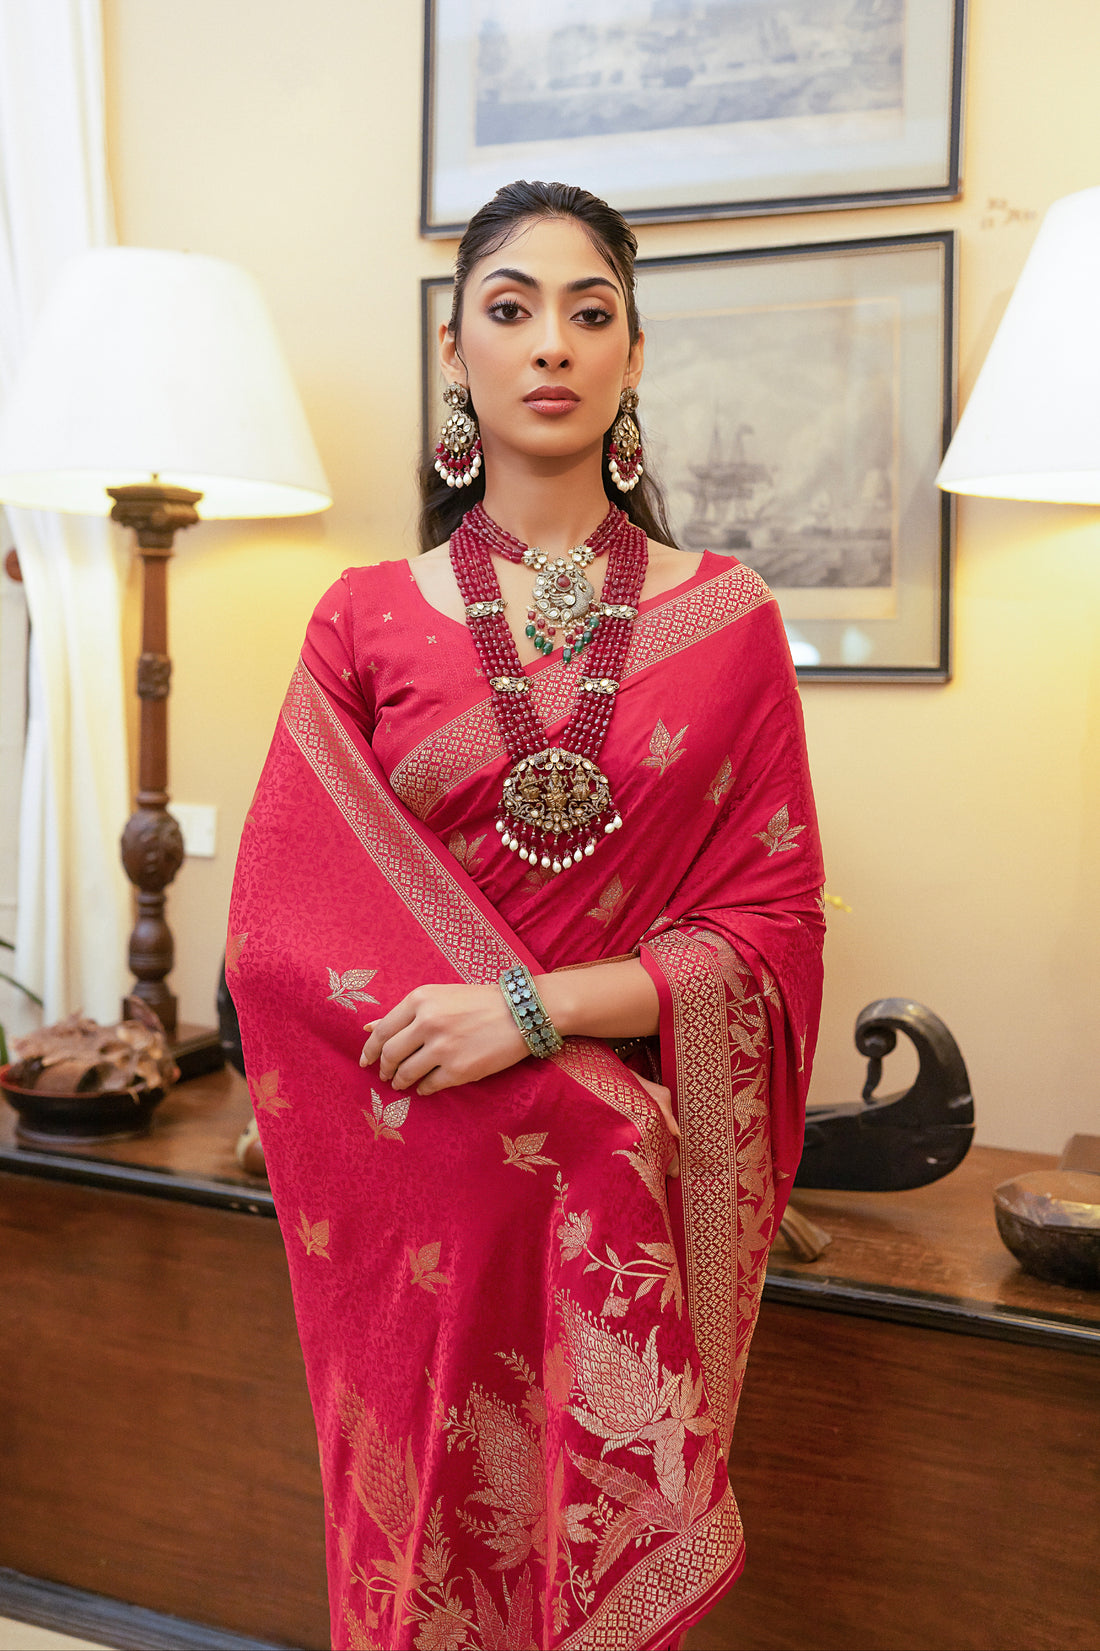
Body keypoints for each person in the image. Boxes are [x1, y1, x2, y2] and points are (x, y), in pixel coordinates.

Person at [228, 180, 825, 1651]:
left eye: (589, 311)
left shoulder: (730, 617)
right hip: (421, 1168)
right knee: (428, 1542)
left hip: (605, 1170)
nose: (549, 342)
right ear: (456, 354)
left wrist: (539, 1013)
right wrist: (468, 1047)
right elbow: (280, 924)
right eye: (511, 308)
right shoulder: (366, 615)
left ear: (632, 358)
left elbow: (775, 925)